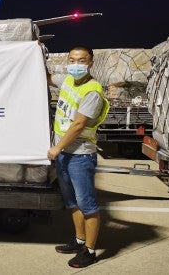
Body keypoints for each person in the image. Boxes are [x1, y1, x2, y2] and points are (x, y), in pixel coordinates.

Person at [47, 46, 109, 268]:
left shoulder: (92, 91)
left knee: (88, 205)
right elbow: (46, 77)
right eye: (72, 60)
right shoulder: (67, 81)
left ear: (90, 63)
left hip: (80, 155)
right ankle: (79, 241)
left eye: (81, 60)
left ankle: (90, 251)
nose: (76, 64)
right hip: (65, 154)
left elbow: (79, 124)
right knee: (73, 203)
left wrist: (56, 148)